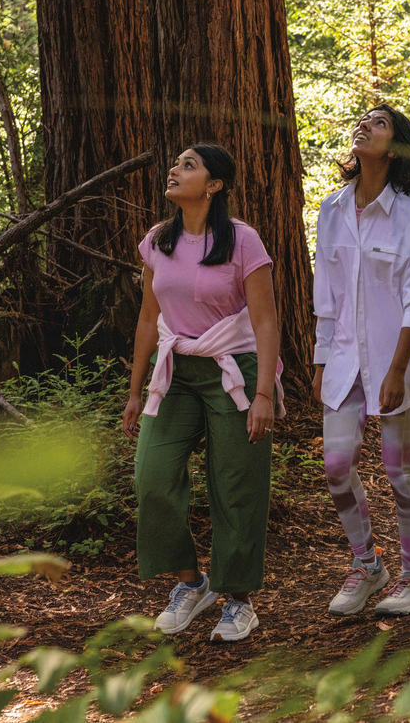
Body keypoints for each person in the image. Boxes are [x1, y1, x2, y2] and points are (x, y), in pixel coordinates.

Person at [122, 143, 282, 642]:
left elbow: (265, 320)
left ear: (214, 185)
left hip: (234, 368)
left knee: (237, 483)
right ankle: (191, 583)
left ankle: (239, 600)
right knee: (152, 475)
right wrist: (135, 390)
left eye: (188, 165)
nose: (174, 169)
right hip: (177, 371)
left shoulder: (242, 241)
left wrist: (263, 395)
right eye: (177, 163)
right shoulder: (157, 240)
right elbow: (149, 318)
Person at [313, 104, 410, 616]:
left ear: (396, 146)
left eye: (380, 123)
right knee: (336, 465)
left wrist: (394, 370)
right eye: (361, 118)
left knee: (400, 474)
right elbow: (328, 294)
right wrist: (321, 360)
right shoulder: (332, 209)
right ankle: (367, 565)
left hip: (400, 365)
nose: (364, 124)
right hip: (343, 362)